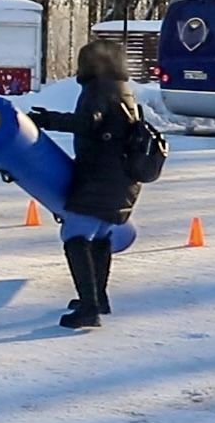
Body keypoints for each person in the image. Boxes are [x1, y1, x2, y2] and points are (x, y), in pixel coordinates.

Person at [30, 40, 142, 330]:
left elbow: (88, 122)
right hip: (122, 179)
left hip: (100, 177)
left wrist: (48, 120)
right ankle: (98, 298)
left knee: (76, 235)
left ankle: (89, 309)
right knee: (101, 234)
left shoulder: (99, 89)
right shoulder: (123, 88)